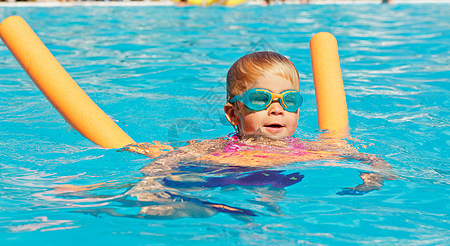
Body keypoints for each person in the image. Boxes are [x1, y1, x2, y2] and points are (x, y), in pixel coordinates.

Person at [125, 51, 392, 193]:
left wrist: (374, 178)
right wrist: (150, 182)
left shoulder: (310, 149)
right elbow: (169, 160)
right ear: (233, 114)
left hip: (278, 186)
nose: (277, 109)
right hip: (215, 185)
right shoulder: (216, 149)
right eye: (261, 98)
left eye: (289, 100)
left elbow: (371, 159)